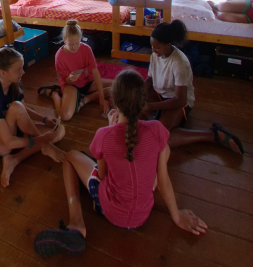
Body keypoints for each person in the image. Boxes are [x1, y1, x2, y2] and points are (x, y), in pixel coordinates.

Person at [33, 70, 207, 258]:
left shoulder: (104, 135)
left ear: (114, 100)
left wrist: (110, 128)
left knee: (71, 157)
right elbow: (163, 182)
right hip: (142, 215)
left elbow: (101, 175)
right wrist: (177, 216)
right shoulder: (157, 129)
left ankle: (76, 223)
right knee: (163, 150)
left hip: (110, 210)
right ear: (143, 102)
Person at [145, 20, 244, 154]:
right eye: (152, 47)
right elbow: (150, 80)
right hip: (160, 95)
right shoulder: (156, 55)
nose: (153, 51)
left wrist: (152, 106)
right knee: (132, 106)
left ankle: (211, 135)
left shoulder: (179, 63)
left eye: (157, 47)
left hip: (178, 102)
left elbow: (180, 100)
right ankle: (158, 119)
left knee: (159, 139)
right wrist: (138, 93)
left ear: (168, 45)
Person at [0, 47, 66, 188]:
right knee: (19, 110)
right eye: (18, 70)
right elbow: (9, 142)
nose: (23, 72)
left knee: (60, 130)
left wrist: (44, 120)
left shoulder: (13, 83)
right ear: (3, 73)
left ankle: (14, 159)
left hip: (10, 131)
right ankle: (44, 146)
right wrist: (42, 139)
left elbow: (24, 110)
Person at [42, 19, 110, 121]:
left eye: (77, 43)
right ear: (64, 41)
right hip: (71, 86)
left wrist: (101, 98)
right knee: (65, 116)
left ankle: (85, 99)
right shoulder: (59, 56)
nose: (74, 47)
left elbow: (95, 73)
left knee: (117, 87)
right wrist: (70, 78)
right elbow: (64, 81)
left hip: (87, 82)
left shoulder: (86, 49)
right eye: (71, 44)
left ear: (81, 39)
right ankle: (54, 95)